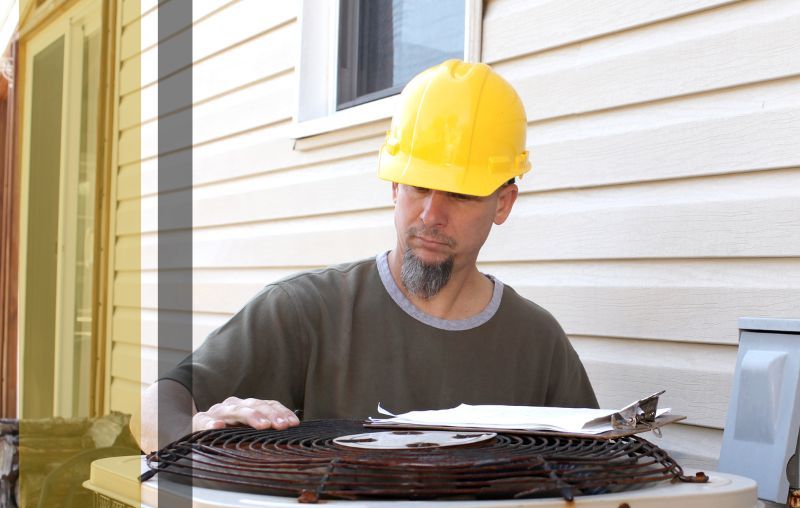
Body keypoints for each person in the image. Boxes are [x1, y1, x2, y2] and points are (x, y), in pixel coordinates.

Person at [136, 60, 596, 453]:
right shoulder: (306, 312)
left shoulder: (537, 344)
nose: (431, 214)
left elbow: (598, 475)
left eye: (460, 193)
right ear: (395, 187)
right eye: (418, 186)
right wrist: (195, 433)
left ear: (503, 203)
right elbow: (154, 409)